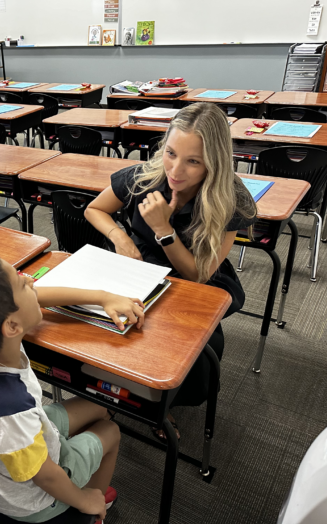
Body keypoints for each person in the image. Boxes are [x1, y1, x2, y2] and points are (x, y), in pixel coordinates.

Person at [0, 249, 147, 523]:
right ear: (11, 326)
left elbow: (34, 297)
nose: (32, 281)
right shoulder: (8, 409)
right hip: (32, 502)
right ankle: (95, 504)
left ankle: (85, 485)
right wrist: (83, 500)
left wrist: (103, 297)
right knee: (111, 430)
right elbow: (44, 475)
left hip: (5, 463)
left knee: (99, 405)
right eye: (23, 283)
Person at [85, 102, 257, 439]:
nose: (176, 170)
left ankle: (165, 406)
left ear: (215, 162)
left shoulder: (230, 199)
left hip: (189, 278)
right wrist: (120, 237)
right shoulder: (145, 176)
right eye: (171, 153)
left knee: (192, 354)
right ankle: (112, 392)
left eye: (193, 161)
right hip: (136, 264)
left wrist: (165, 231)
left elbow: (198, 275)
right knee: (104, 324)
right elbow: (95, 209)